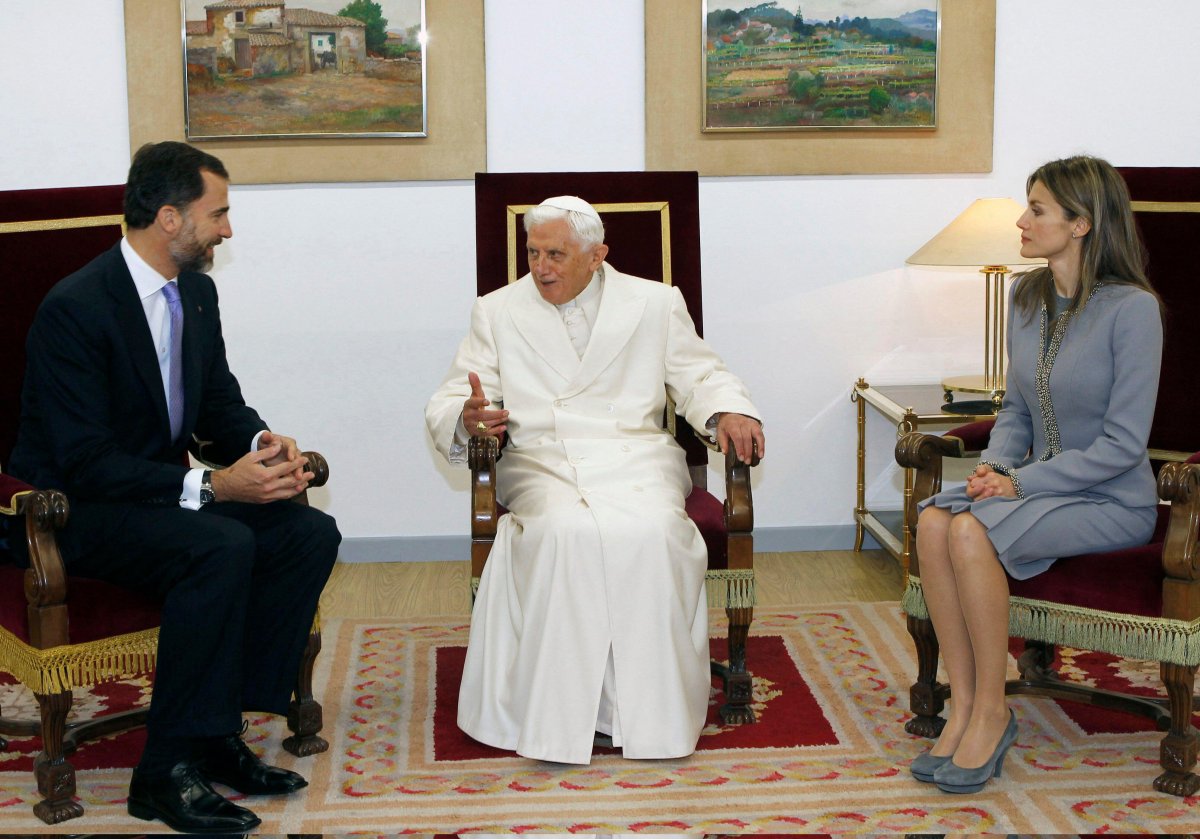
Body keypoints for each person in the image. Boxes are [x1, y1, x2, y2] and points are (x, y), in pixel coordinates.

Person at [9, 141, 341, 833]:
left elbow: (217, 401)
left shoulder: (195, 291)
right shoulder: (76, 308)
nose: (227, 230)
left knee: (307, 531)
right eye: (217, 214)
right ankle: (161, 773)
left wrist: (263, 444)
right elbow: (85, 461)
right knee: (218, 546)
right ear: (169, 217)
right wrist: (215, 484)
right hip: (76, 509)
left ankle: (216, 733)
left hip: (159, 495)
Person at [426, 196, 764, 764]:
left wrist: (730, 410)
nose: (541, 268)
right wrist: (467, 415)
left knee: (655, 533)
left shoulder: (655, 302)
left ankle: (644, 716)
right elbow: (458, 391)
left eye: (556, 254)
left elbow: (701, 374)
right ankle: (560, 718)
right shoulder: (497, 310)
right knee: (564, 532)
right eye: (533, 253)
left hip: (637, 456)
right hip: (543, 460)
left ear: (597, 255)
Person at [911, 155, 1163, 794]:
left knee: (969, 530)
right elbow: (1016, 410)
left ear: (1081, 223)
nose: (1021, 222)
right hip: (1035, 489)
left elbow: (1123, 444)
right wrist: (994, 467)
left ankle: (993, 713)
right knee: (935, 520)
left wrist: (1019, 483)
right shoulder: (1026, 297)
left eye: (1037, 209)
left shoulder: (1133, 311)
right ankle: (965, 704)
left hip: (1111, 500)